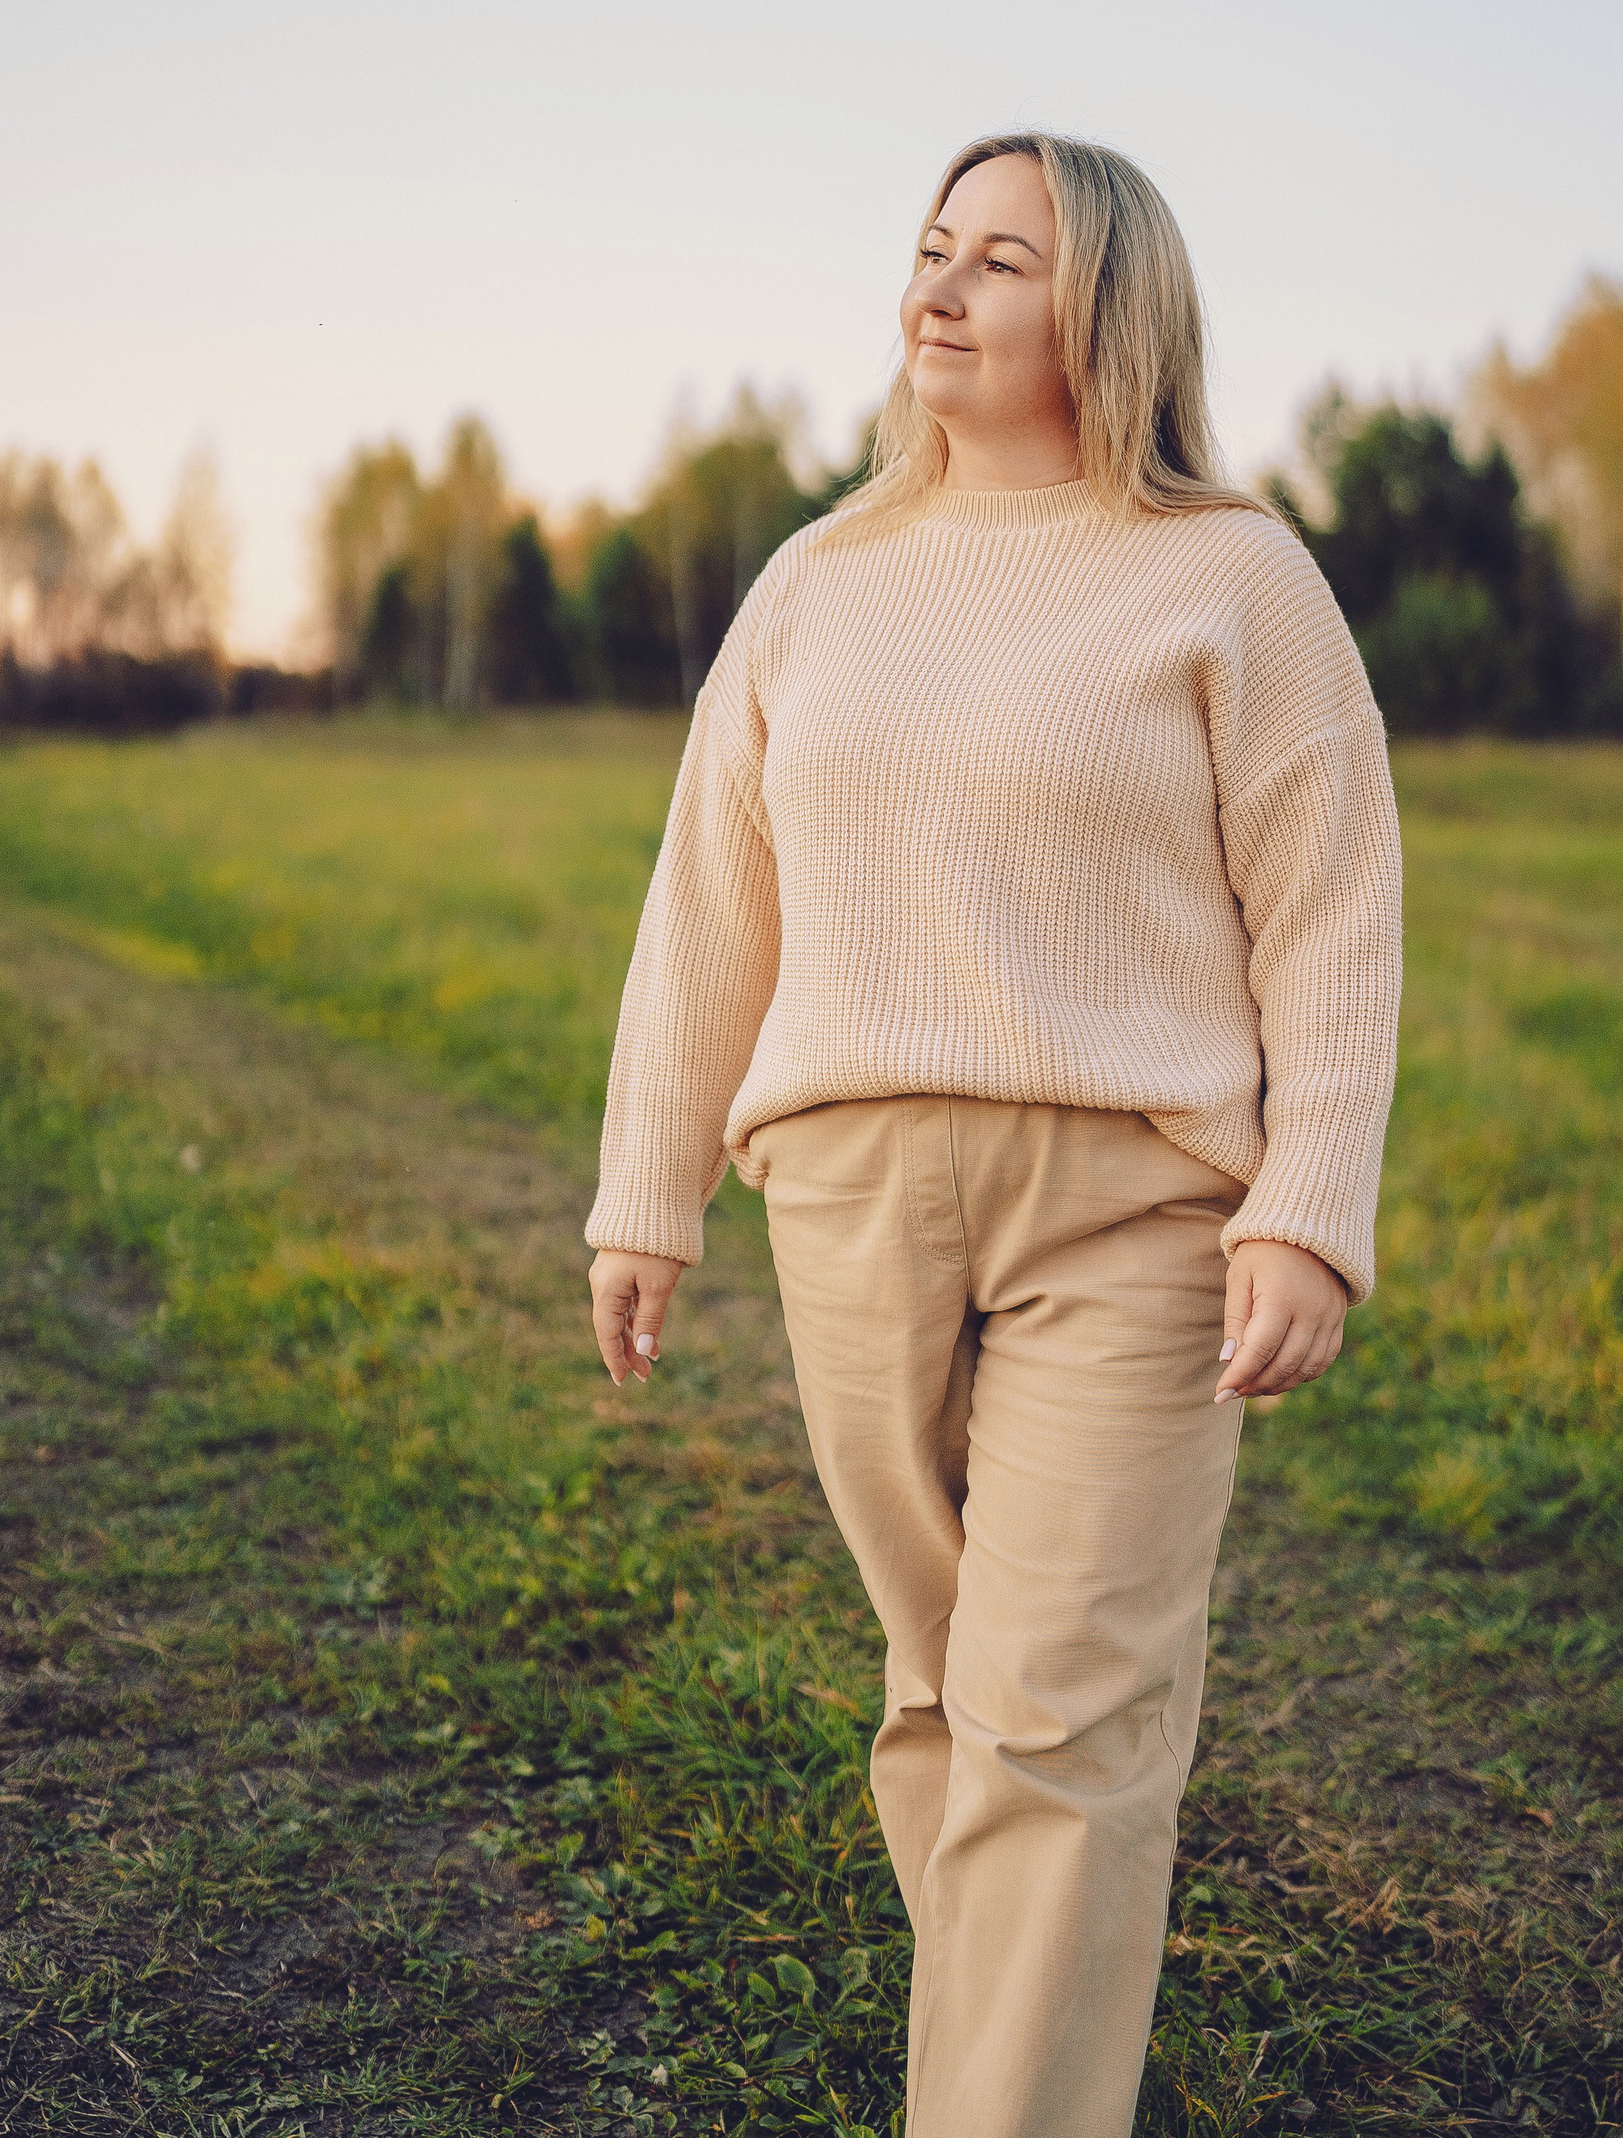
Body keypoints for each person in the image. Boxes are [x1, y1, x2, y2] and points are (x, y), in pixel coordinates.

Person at [585, 132, 1402, 2138]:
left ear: (1108, 309)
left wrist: (1308, 1204)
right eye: (931, 248)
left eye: (1000, 260)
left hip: (1135, 1210)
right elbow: (711, 900)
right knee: (947, 1684)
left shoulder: (1233, 575)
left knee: (1065, 1713)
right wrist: (646, 1192)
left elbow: (1331, 906)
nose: (938, 288)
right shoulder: (821, 579)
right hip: (850, 1195)